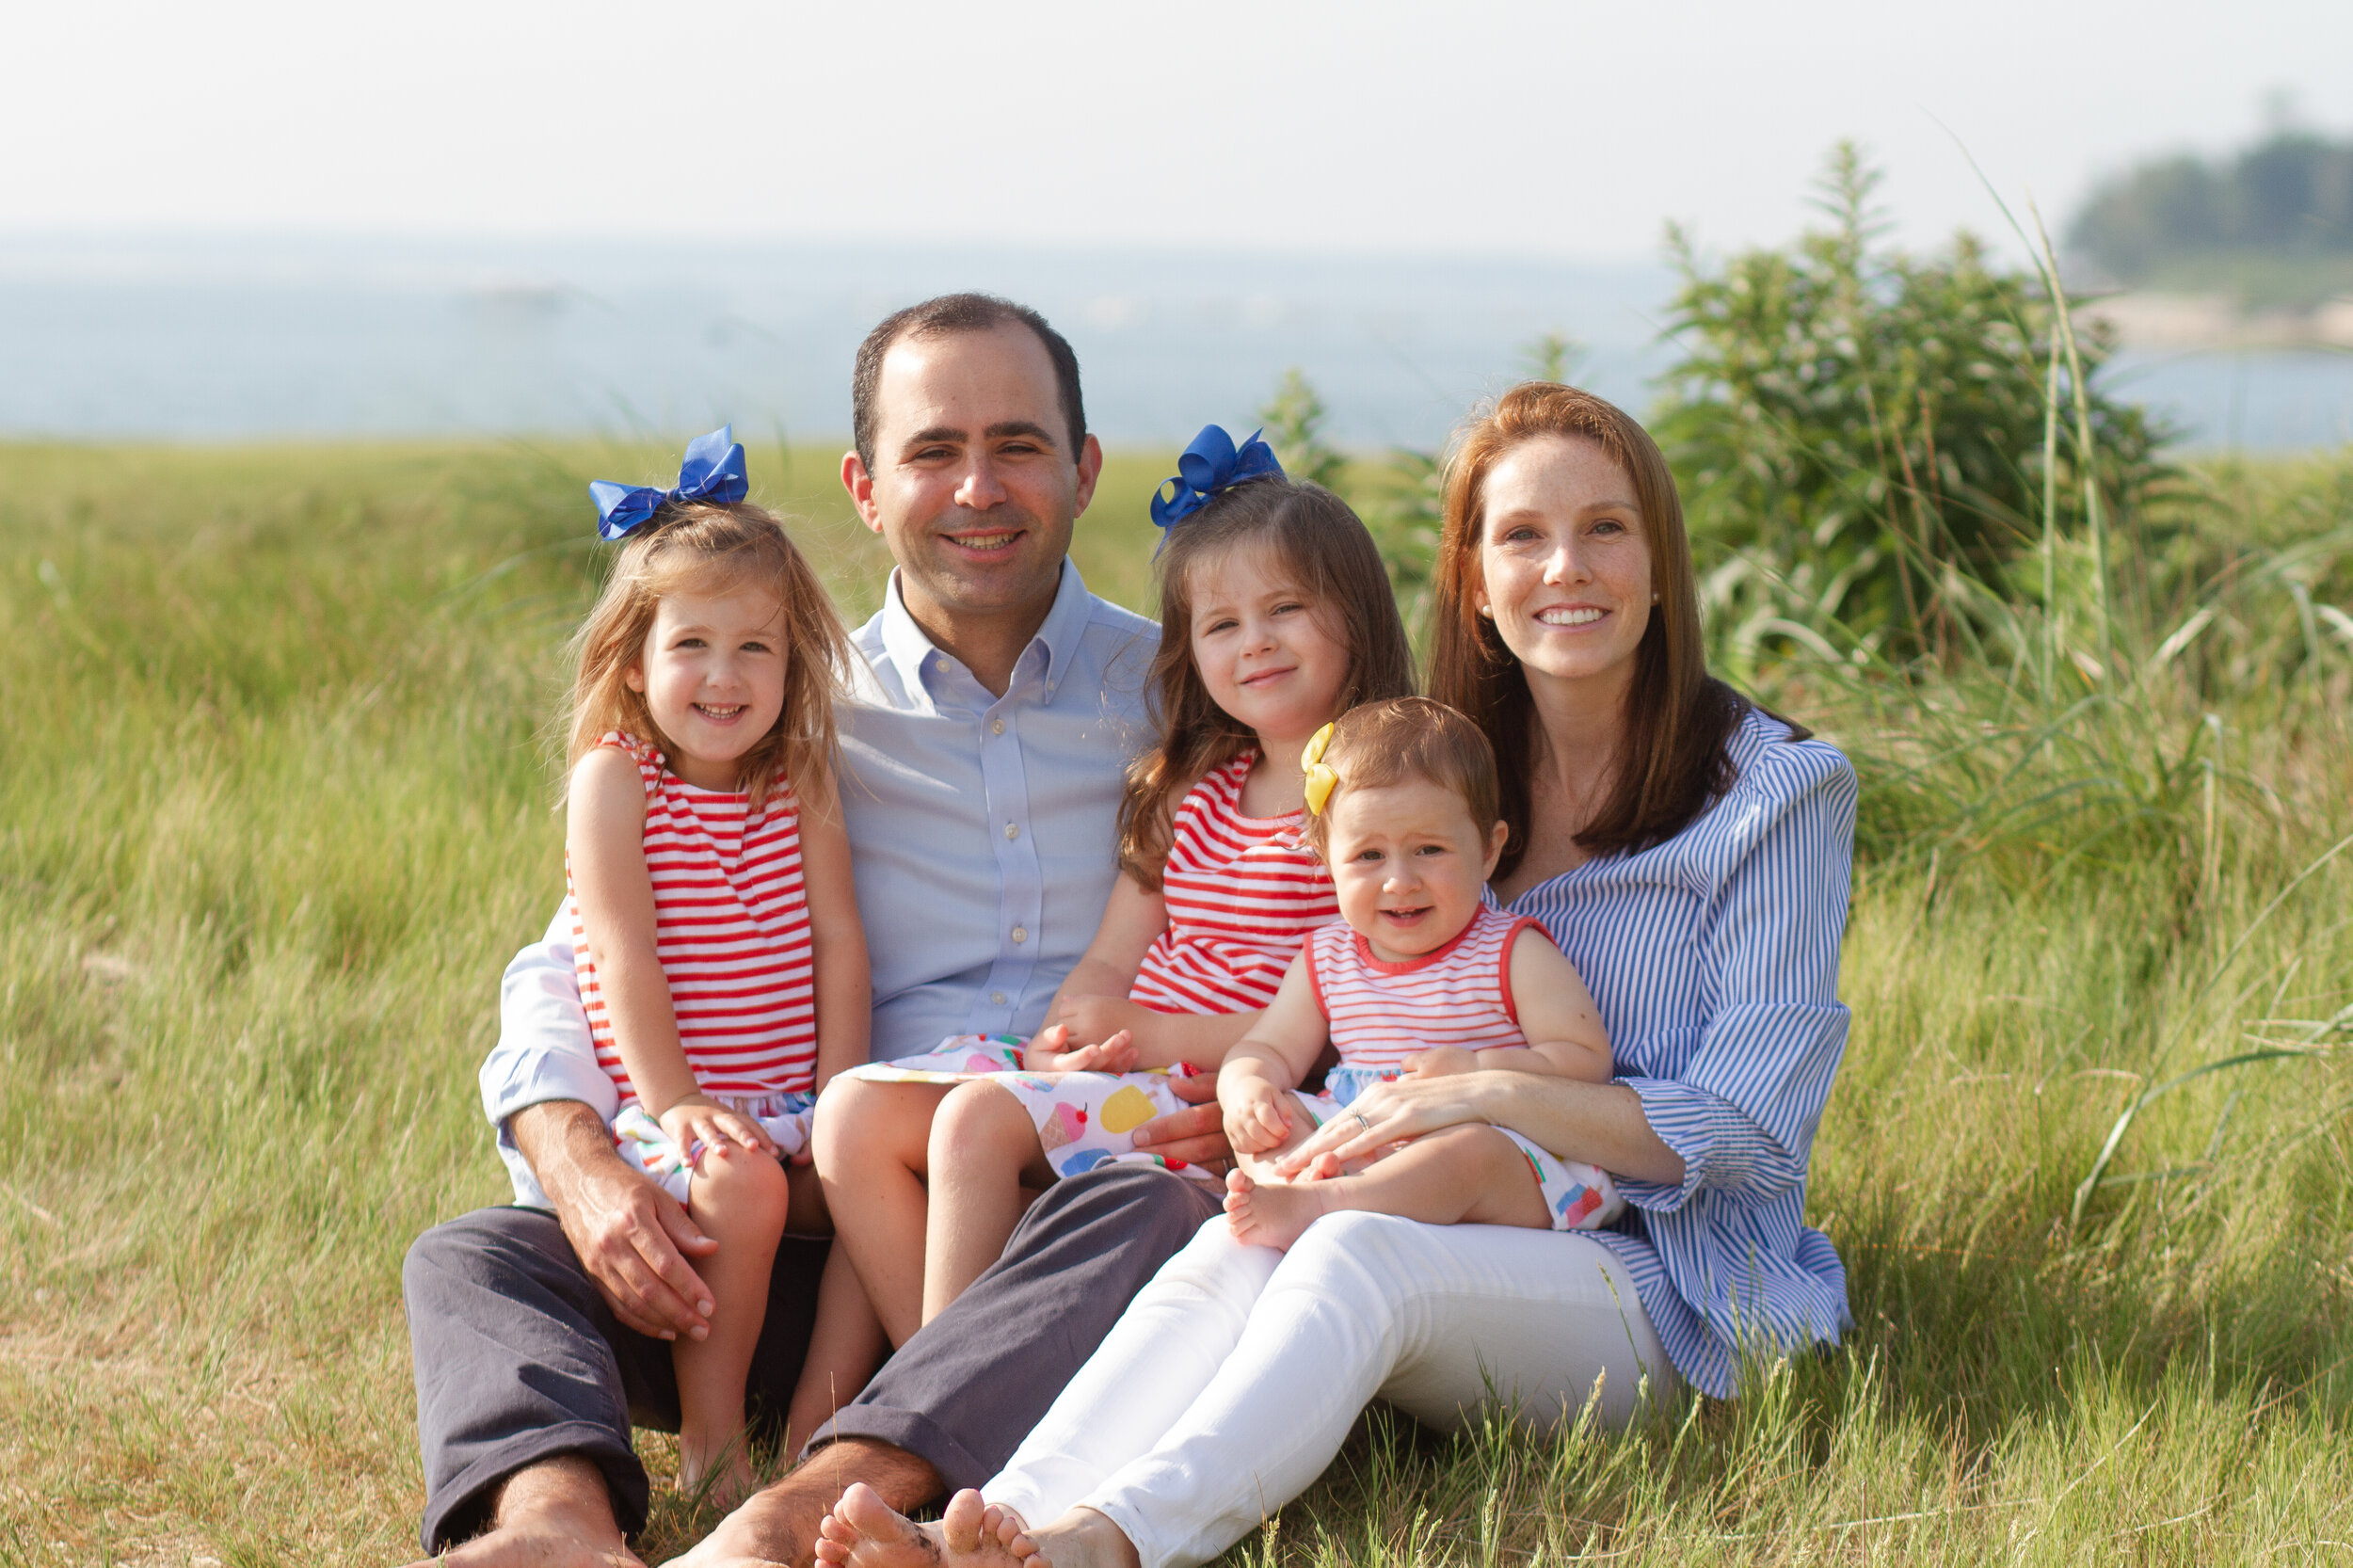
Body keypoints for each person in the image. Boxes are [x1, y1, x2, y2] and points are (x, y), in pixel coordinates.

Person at [810, 379, 1858, 1568]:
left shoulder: (1772, 793)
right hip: (1440, 1199)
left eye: (1605, 528)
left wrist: (1476, 1090)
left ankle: (1097, 1547)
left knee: (1351, 1245)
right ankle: (997, 1515)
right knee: (1249, 1237)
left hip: (1670, 1278)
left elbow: (1754, 1137)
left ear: (1662, 562)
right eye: (1520, 534)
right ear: (1473, 579)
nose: (1564, 565)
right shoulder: (1435, 773)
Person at [399, 295, 1226, 1568]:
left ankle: (806, 1508)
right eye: (932, 449)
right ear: (863, 483)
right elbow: (578, 955)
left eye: (1017, 444)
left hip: (1070, 1215)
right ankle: (556, 1525)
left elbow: (1299, 913)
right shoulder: (775, 700)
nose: (977, 486)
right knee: (481, 1259)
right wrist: (573, 1150)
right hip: (815, 1218)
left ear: (1084, 467)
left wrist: (1240, 1081)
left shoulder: (1187, 688)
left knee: (1147, 1209)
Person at [816, 426, 1414, 1340]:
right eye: (1221, 625)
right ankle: (934, 1389)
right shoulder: (1187, 792)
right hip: (1126, 1068)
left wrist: (1159, 1034)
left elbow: (1363, 1014)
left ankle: (938, 1414)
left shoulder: (1379, 806)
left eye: (1284, 609)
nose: (1253, 643)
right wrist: (1064, 1040)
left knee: (975, 1125)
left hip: (1236, 1092)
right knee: (854, 1113)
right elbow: (1108, 960)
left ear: (1357, 615)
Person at [561, 428, 872, 1502]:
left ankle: (817, 1441)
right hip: (676, 1109)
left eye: (757, 648)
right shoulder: (619, 781)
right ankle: (708, 1441)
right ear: (634, 659)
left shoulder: (804, 780)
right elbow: (621, 953)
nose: (725, 676)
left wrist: (841, 1097)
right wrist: (678, 1098)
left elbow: (840, 942)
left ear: (793, 664)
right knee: (737, 1186)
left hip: (792, 1095)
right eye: (692, 644)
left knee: (869, 1177)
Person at [1217, 696, 1620, 1251]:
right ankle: (1292, 1189)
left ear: (1487, 851)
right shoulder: (1328, 958)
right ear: (1324, 857)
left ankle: (1320, 1206)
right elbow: (1266, 1048)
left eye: (1429, 849)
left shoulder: (1509, 950)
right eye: (1368, 856)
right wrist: (1246, 1088)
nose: (1399, 881)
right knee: (1274, 1118)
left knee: (1466, 1153)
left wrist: (1479, 1070)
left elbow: (1586, 1060)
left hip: (1498, 1155)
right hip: (1362, 1141)